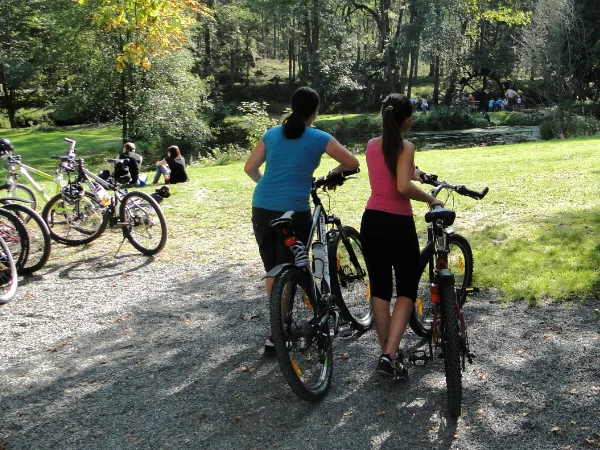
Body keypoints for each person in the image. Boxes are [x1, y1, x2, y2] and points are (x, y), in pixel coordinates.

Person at [244, 86, 359, 356]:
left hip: (261, 207)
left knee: (273, 268)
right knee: (291, 269)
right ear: (316, 111)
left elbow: (250, 168)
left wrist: (269, 187)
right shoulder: (319, 137)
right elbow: (351, 162)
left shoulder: (272, 133)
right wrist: (333, 172)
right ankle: (280, 330)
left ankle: (277, 327)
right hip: (294, 210)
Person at [360, 93, 443, 378]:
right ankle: (389, 355)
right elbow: (401, 186)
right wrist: (431, 200)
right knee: (407, 288)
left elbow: (390, 169)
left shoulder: (371, 146)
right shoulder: (406, 146)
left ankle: (388, 356)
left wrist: (413, 171)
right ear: (406, 120)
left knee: (381, 289)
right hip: (397, 224)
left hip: (371, 222)